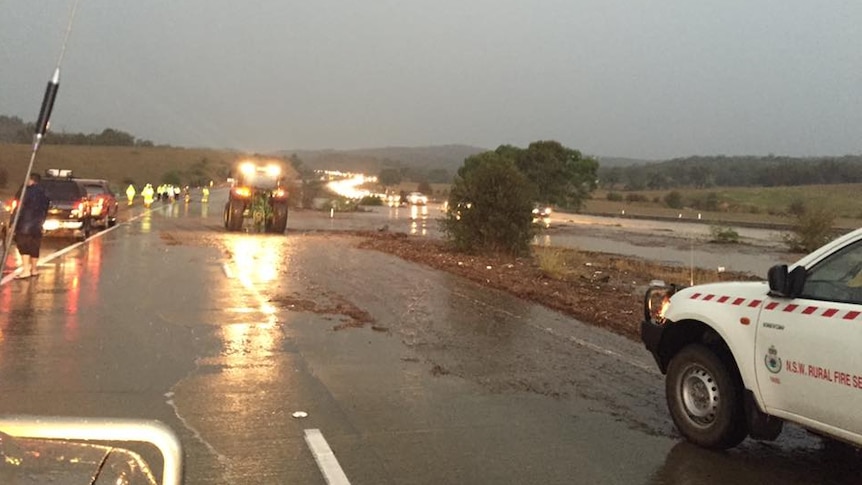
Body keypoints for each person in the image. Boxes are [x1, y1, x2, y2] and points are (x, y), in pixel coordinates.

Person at [13, 173, 50, 279]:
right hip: (38, 224)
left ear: (31, 180)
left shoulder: (26, 191)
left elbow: (19, 207)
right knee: (34, 246)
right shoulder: (44, 193)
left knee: (23, 246)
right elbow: (46, 208)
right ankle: (34, 269)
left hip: (25, 223)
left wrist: (13, 222)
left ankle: (26, 270)